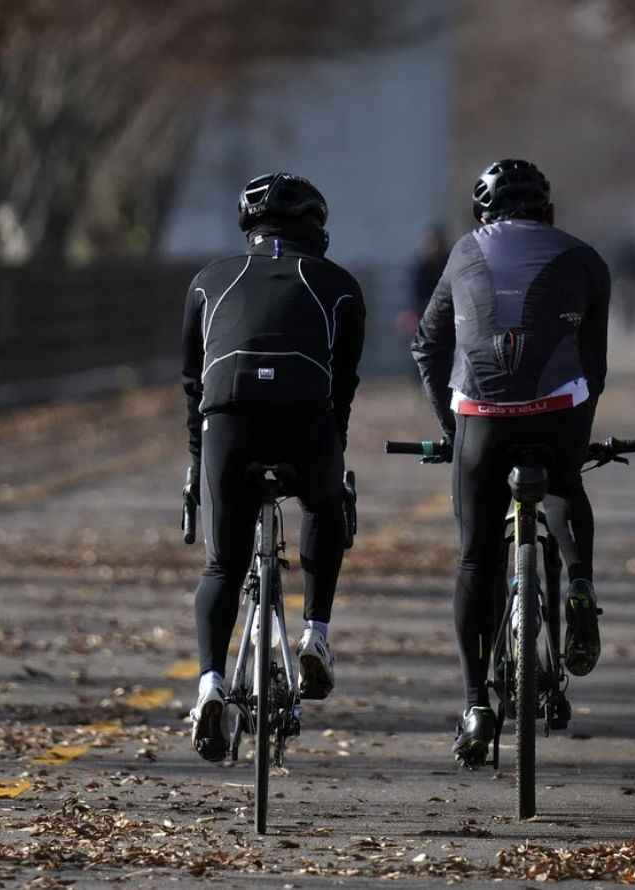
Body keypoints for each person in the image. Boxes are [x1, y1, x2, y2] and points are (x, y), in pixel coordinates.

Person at [410, 158, 610, 766]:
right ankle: (579, 583)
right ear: (549, 213)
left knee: (475, 556)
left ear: (482, 216)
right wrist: (577, 426)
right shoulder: (586, 258)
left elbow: (427, 345)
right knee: (565, 482)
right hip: (561, 412)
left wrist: (453, 431)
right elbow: (593, 364)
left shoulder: (463, 252)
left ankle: (475, 705)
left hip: (482, 417)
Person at [180, 172, 366, 762]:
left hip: (226, 423)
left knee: (221, 567)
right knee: (322, 501)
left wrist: (195, 463)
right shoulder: (339, 285)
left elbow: (192, 383)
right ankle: (315, 634)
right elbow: (342, 385)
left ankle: (210, 683)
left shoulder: (208, 281)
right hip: (305, 422)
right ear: (317, 228)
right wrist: (331, 458)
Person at [396, 225, 451, 339]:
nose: (436, 248)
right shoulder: (418, 266)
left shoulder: (449, 262)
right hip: (423, 313)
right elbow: (412, 296)